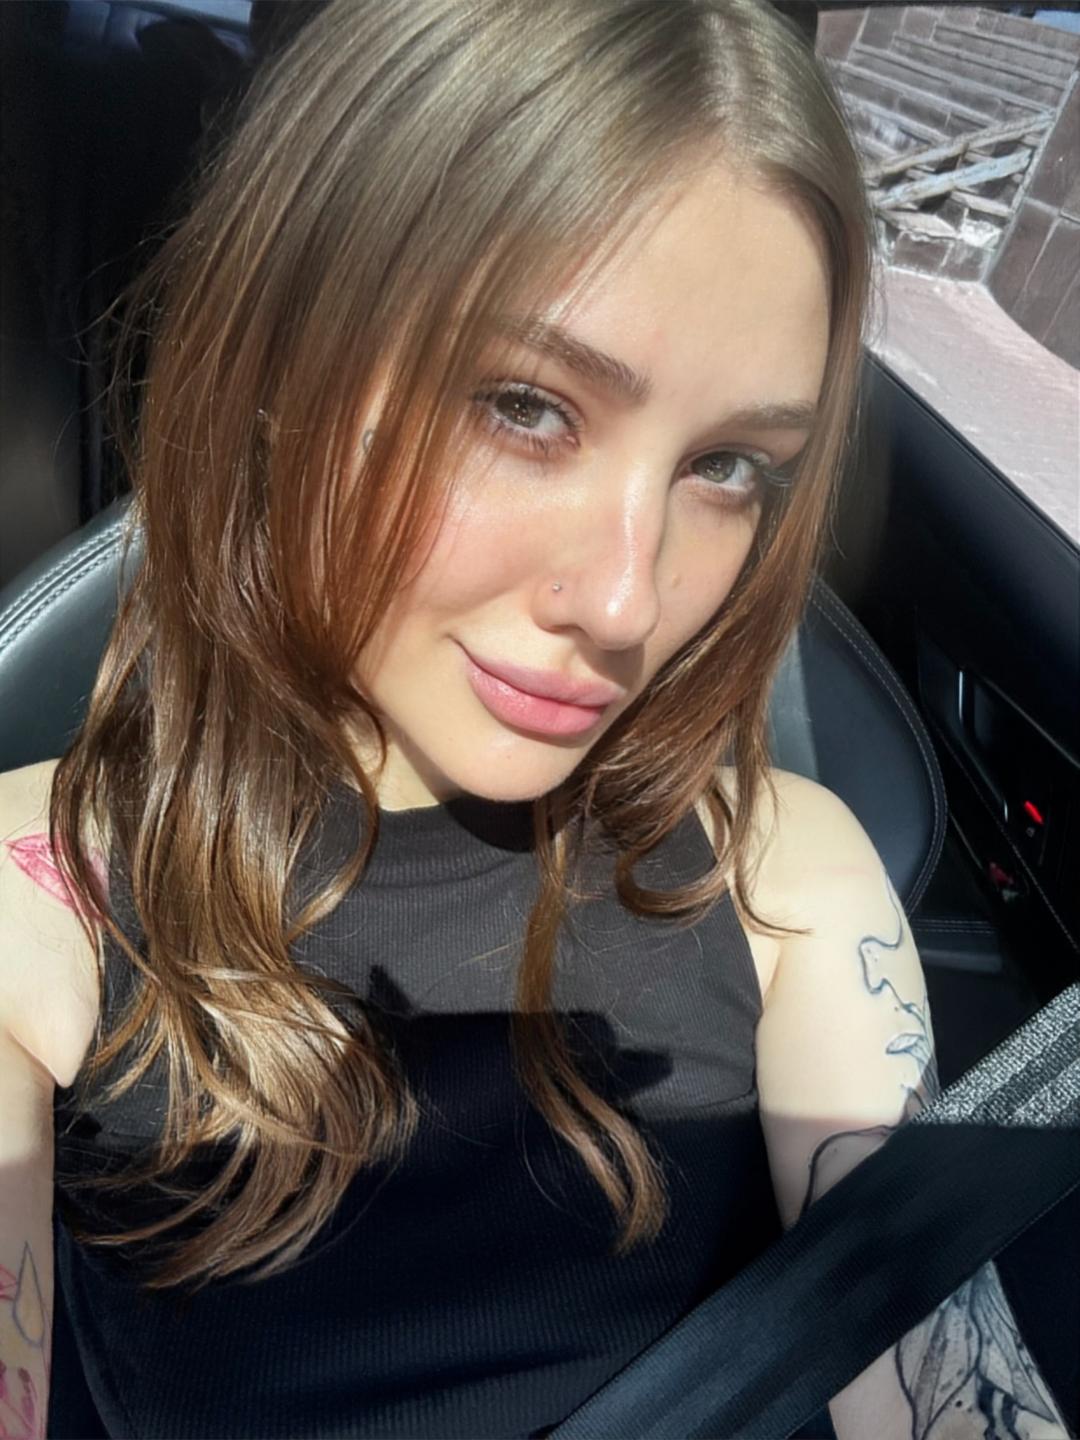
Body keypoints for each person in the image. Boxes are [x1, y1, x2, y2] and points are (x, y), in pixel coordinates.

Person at [0, 1, 1070, 1437]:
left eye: (731, 467)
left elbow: (937, 1382)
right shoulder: (41, 898)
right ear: (282, 364)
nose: (628, 601)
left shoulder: (780, 873)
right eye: (524, 407)